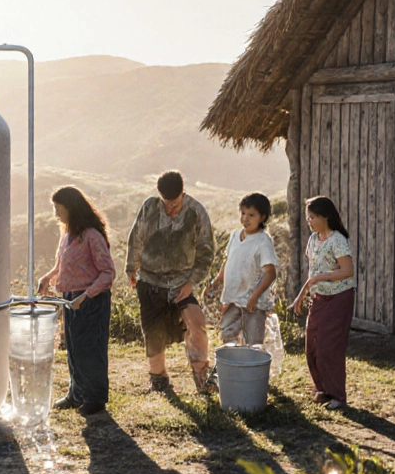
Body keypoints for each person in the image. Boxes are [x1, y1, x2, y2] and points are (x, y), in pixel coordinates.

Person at [125, 170, 216, 393]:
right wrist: (131, 267)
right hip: (150, 279)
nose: (170, 209)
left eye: (174, 204)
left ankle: (202, 377)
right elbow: (136, 237)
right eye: (166, 203)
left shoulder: (196, 211)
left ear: (183, 194)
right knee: (153, 329)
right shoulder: (150, 206)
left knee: (196, 323)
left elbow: (206, 251)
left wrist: (192, 282)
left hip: (181, 281)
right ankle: (158, 378)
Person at [38, 186, 116, 417]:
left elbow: (108, 272)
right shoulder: (67, 234)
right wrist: (48, 277)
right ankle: (77, 393)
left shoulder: (91, 235)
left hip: (91, 299)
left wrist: (87, 295)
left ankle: (95, 398)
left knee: (91, 349)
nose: (55, 214)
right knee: (74, 348)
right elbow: (61, 266)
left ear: (71, 208)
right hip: (71, 299)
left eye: (58, 208)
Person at [291, 196, 355, 410]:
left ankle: (338, 395)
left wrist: (321, 278)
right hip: (318, 297)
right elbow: (312, 274)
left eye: (313, 217)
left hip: (339, 298)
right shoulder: (312, 240)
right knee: (312, 345)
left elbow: (347, 271)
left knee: (330, 346)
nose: (309, 220)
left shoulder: (337, 240)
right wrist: (301, 296)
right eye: (308, 217)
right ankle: (322, 389)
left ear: (325, 216)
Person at [210, 193, 279, 349]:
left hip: (252, 301)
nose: (245, 219)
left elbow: (270, 273)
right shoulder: (235, 235)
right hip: (233, 297)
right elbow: (228, 260)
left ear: (262, 217)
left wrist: (254, 296)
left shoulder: (263, 241)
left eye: (251, 215)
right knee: (228, 334)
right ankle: (233, 368)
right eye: (243, 213)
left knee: (253, 342)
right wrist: (218, 279)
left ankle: (253, 371)